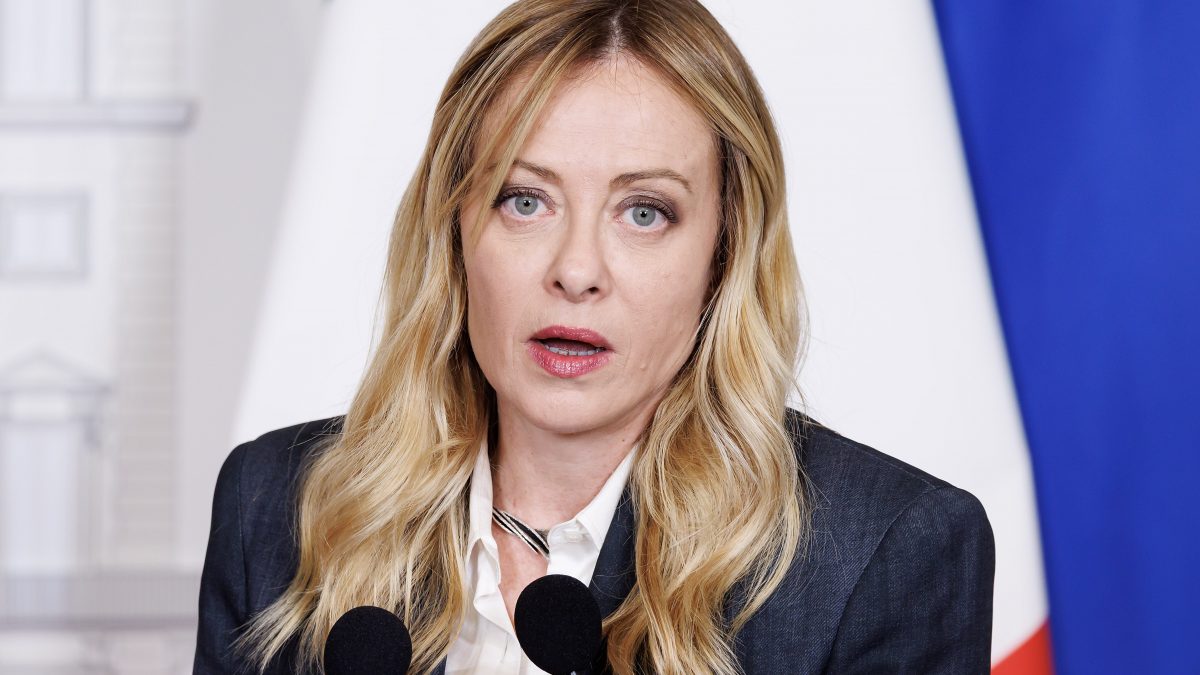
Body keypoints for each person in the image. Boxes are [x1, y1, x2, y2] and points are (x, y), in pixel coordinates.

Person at [194, 1, 995, 673]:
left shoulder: (883, 552)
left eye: (644, 212)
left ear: (724, 250)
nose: (576, 270)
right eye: (525, 200)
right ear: (454, 229)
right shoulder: (274, 507)